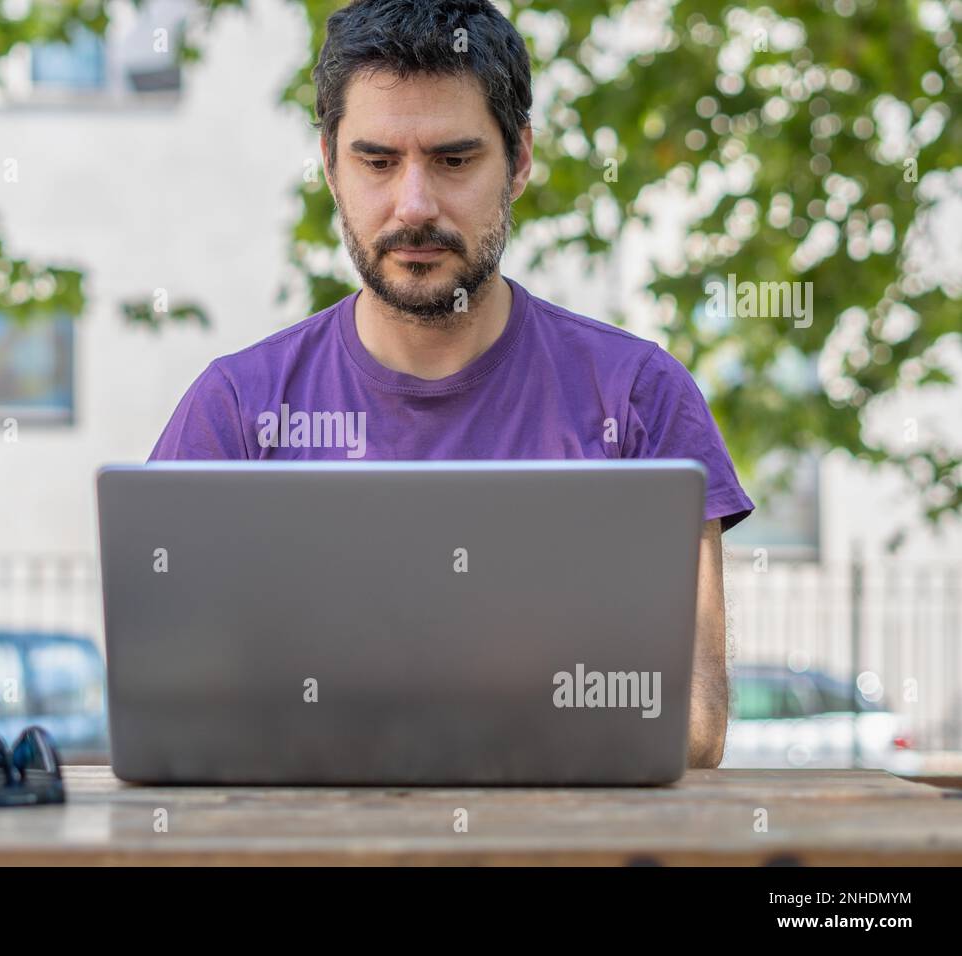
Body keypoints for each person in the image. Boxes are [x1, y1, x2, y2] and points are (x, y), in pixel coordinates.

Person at [149, 0, 754, 768]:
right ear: (330, 164)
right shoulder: (237, 410)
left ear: (521, 158)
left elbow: (693, 726)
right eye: (376, 162)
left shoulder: (638, 397)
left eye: (454, 160)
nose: (414, 205)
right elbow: (166, 701)